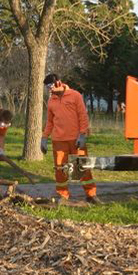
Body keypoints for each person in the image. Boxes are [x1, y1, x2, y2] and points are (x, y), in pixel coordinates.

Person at [40, 73, 97, 202]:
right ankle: (63, 195)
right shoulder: (51, 101)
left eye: (50, 87)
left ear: (58, 83)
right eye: (47, 88)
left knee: (82, 167)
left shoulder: (75, 96)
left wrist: (82, 134)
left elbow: (83, 116)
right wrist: (44, 137)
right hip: (58, 141)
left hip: (76, 139)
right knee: (60, 169)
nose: (49, 90)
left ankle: (91, 194)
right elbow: (50, 122)